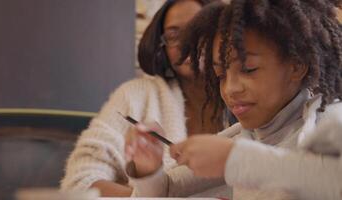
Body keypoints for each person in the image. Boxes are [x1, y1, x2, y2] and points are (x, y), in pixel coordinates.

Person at [125, 0, 342, 199]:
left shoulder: (331, 123)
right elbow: (169, 190)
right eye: (221, 75)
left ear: (297, 66)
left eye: (249, 69)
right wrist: (149, 169)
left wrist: (236, 160)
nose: (231, 89)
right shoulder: (241, 138)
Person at [60, 0, 232, 197]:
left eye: (198, 30)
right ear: (162, 45)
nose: (187, 43)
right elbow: (80, 182)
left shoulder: (245, 100)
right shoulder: (134, 97)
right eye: (174, 34)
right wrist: (145, 194)